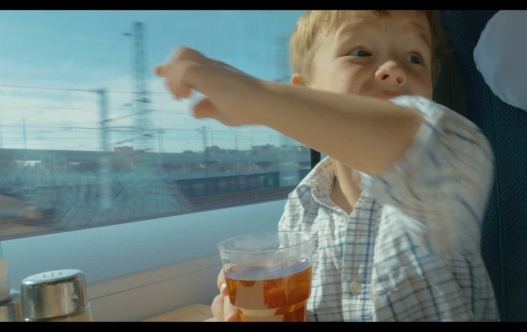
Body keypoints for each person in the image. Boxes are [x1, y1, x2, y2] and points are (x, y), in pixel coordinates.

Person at [154, 10, 498, 322]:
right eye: (361, 53)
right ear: (306, 90)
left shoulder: (443, 170)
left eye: (414, 57)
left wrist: (258, 98)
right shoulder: (301, 208)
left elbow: (419, 136)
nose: (394, 70)